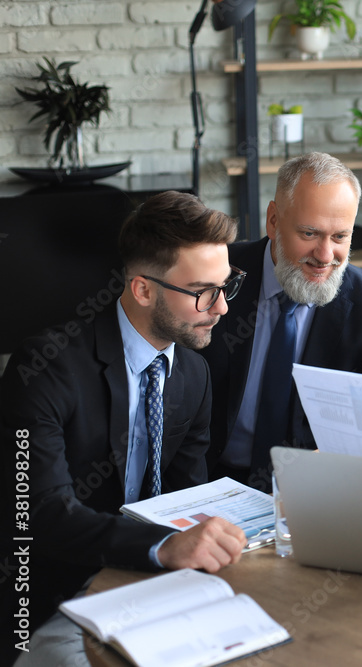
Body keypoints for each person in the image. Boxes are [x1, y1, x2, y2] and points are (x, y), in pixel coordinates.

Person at [1, 192, 248, 665]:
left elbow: (185, 499)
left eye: (226, 286)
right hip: (53, 597)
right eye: (203, 291)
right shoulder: (46, 367)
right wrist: (163, 547)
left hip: (154, 589)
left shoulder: (193, 374)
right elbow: (44, 515)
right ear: (142, 290)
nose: (221, 309)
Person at [199, 153, 362, 492]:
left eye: (340, 237)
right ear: (273, 221)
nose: (325, 256)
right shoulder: (216, 274)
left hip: (318, 492)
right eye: (310, 233)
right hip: (209, 481)